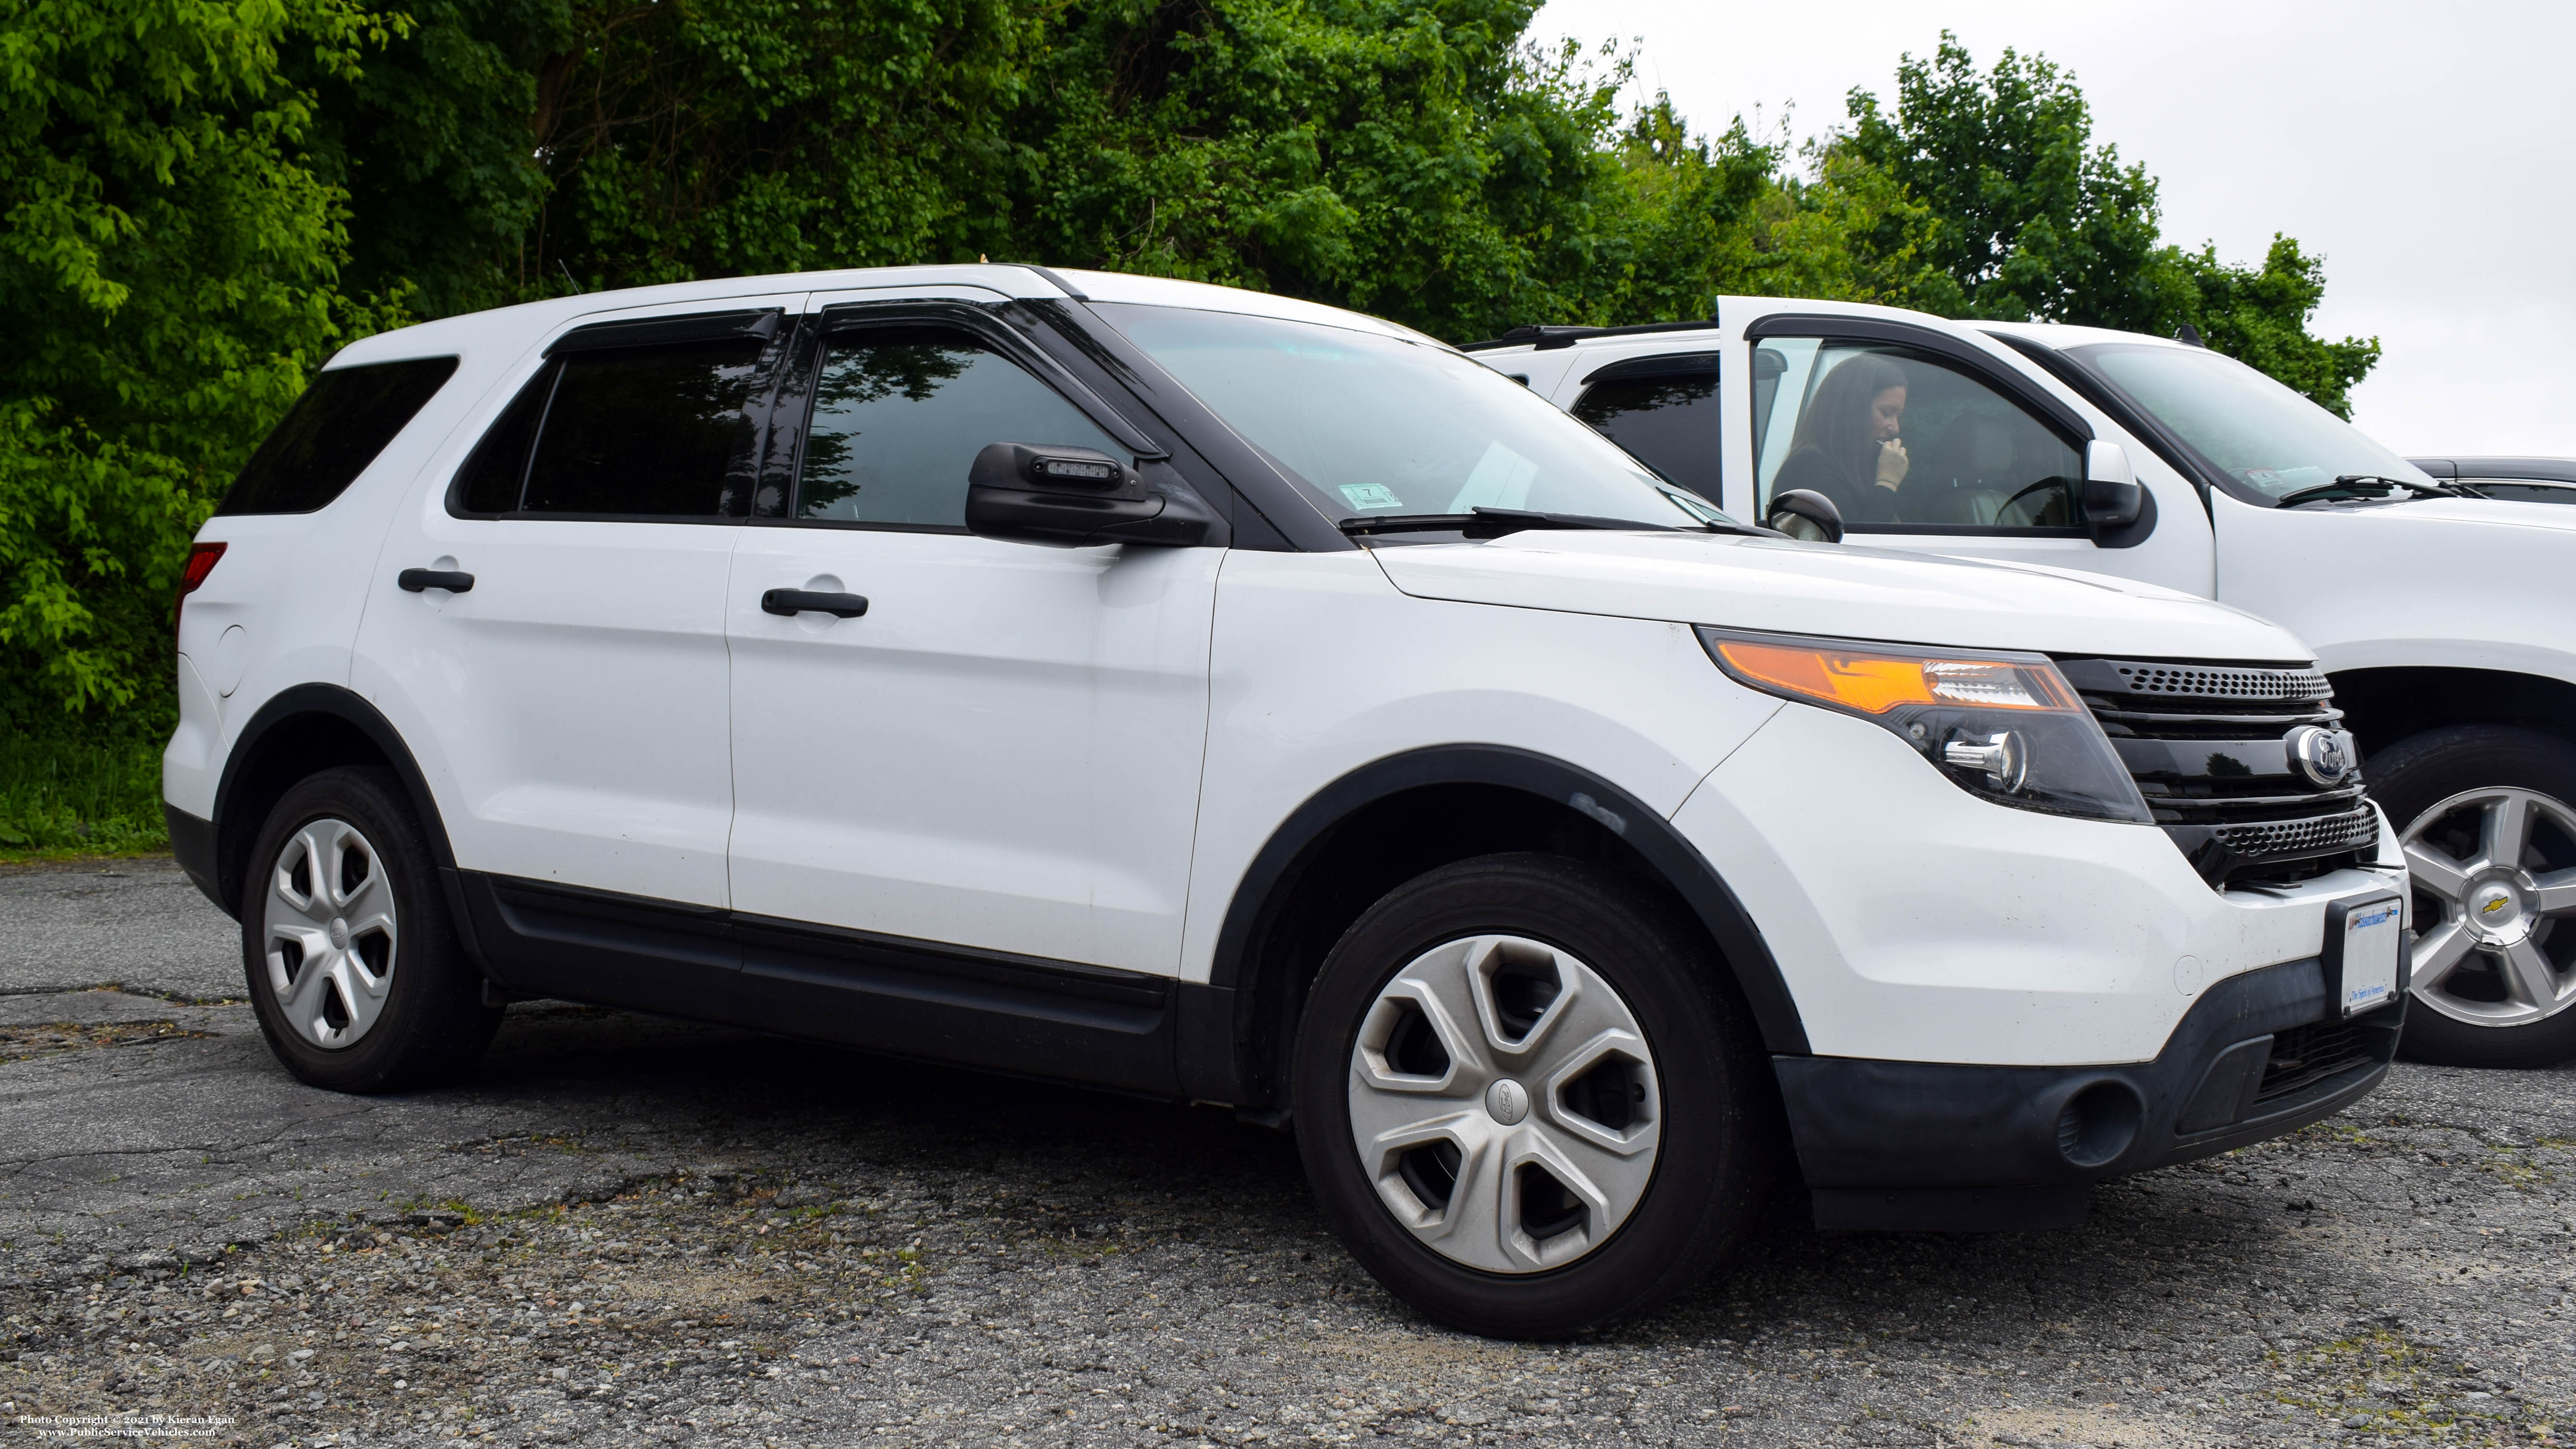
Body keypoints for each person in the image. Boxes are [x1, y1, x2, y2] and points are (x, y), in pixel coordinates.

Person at [1772, 353, 1909, 525]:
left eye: (1898, 417)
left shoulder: (1856, 468)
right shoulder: (1810, 467)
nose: (1895, 428)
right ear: (1852, 411)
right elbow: (1860, 545)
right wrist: (1887, 483)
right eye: (1887, 413)